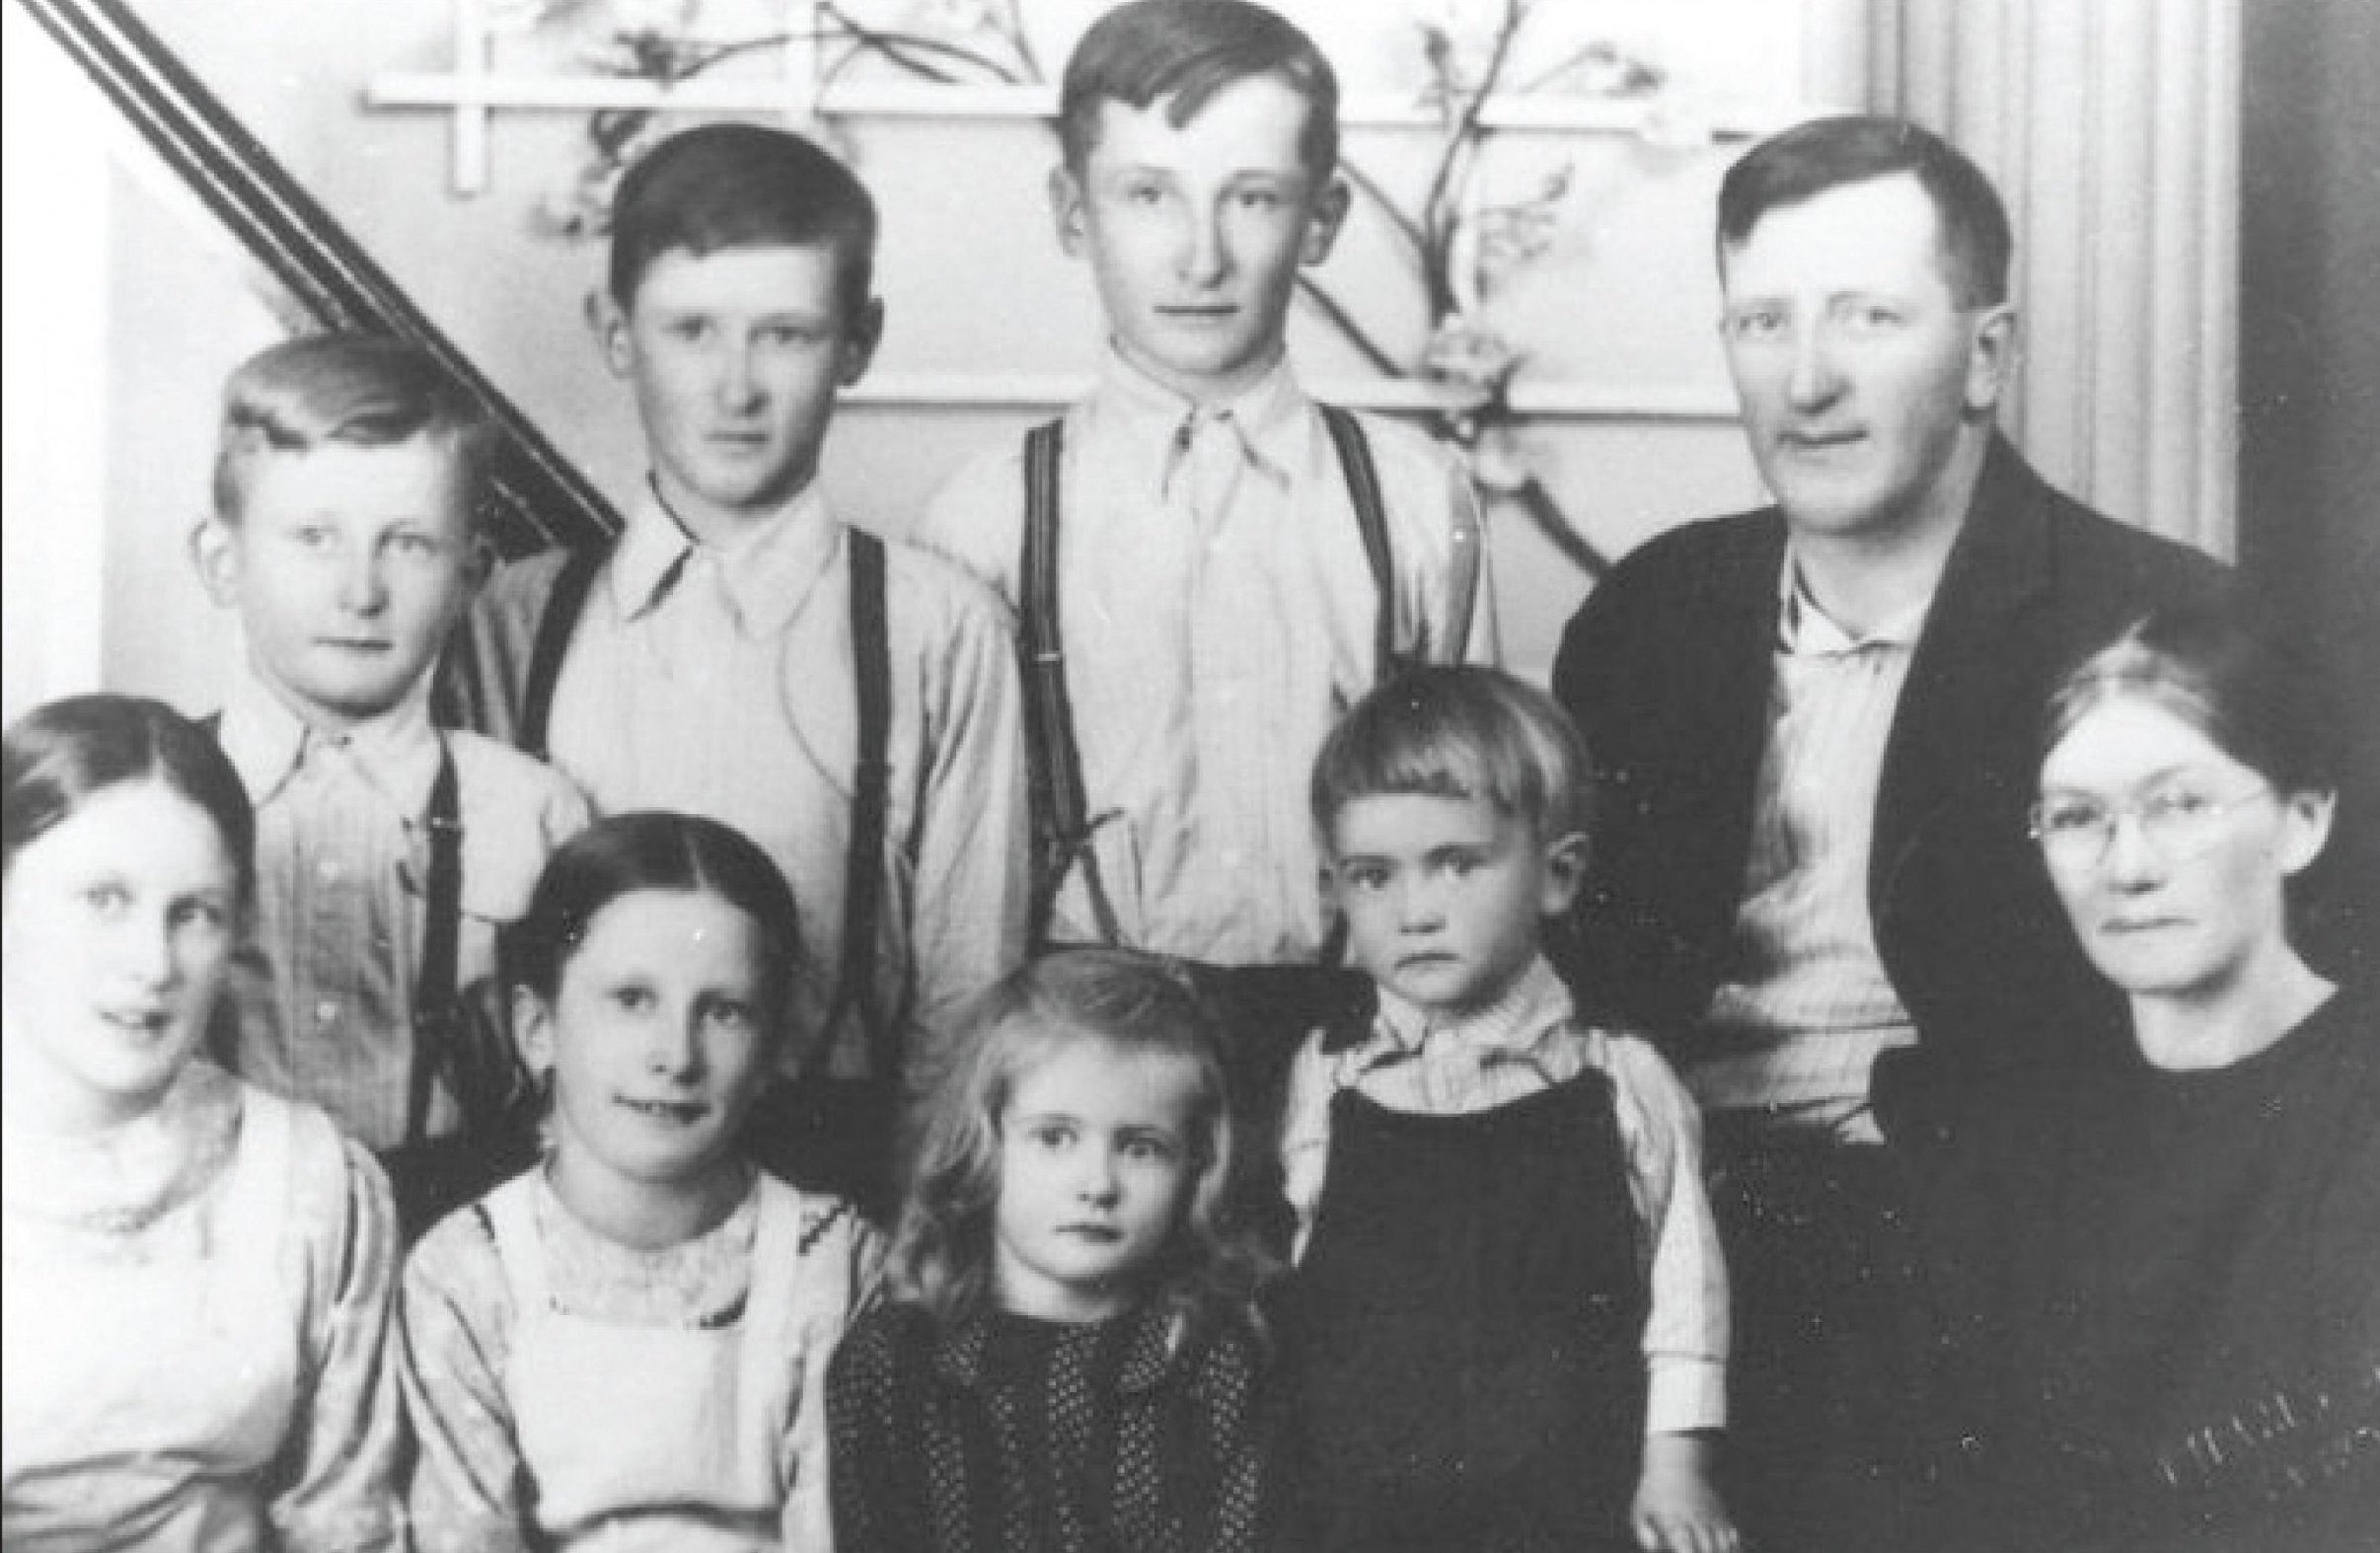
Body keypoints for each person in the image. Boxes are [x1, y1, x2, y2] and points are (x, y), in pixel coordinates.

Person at [1549, 114, 2230, 1551]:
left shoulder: (2160, 628)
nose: (1807, 381)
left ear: (1987, 354)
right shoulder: (1648, 615)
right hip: (1660, 1240)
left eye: (1869, 316)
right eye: (1764, 320)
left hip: (1977, 1265)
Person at [450, 122, 1028, 1214]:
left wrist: (910, 1258)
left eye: (786, 334)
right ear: (615, 334)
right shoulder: (511, 621)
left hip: (838, 1184)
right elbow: (478, 972)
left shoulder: (937, 627)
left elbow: (968, 1001)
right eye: (692, 330)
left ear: (858, 342)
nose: (736, 386)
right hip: (558, 1193)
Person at [914, 0, 1495, 1064]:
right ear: (1072, 212)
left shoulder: (1415, 499)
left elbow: (1480, 836)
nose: (1201, 255)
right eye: (1148, 195)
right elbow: (962, 897)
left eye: (1254, 199)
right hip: (1088, 1061)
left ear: (1321, 220)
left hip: (1361, 1052)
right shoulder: (990, 515)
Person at [1904, 603, 2379, 1553]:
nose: (2128, 868)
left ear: (2303, 820)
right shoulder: (2009, 1138)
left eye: (2182, 805)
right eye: (2078, 818)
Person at [1276, 665, 1735, 1553]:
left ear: (1557, 876)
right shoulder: (1326, 1077)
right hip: (1365, 1506)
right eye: (1374, 876)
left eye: (1455, 864)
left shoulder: (1620, 1078)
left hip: (1566, 1498)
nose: (1415, 911)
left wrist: (1676, 1465)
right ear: (1334, 889)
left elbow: (1685, 1298)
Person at [188, 332, 591, 1237]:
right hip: (200, 1263)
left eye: (407, 545)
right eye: (315, 537)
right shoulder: (147, 803)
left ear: (471, 577)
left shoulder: (534, 816)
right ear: (223, 561)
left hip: (450, 1263)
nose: (360, 590)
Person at [402, 810, 881, 1551]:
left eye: (723, 1011)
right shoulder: (467, 1272)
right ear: (539, 1029)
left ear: (775, 1048)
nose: (676, 1055)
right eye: (631, 1000)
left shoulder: (834, 1261)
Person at [0, 695, 405, 1551]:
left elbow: (347, 1523)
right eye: (103, 899)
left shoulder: (309, 1179)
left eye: (196, 914)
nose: (152, 964)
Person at [826, 948, 1281, 1553]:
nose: (1097, 1184)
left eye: (1141, 1147)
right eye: (1055, 1138)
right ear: (984, 1143)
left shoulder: (1210, 1364)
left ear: (1193, 1167)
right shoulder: (892, 1362)